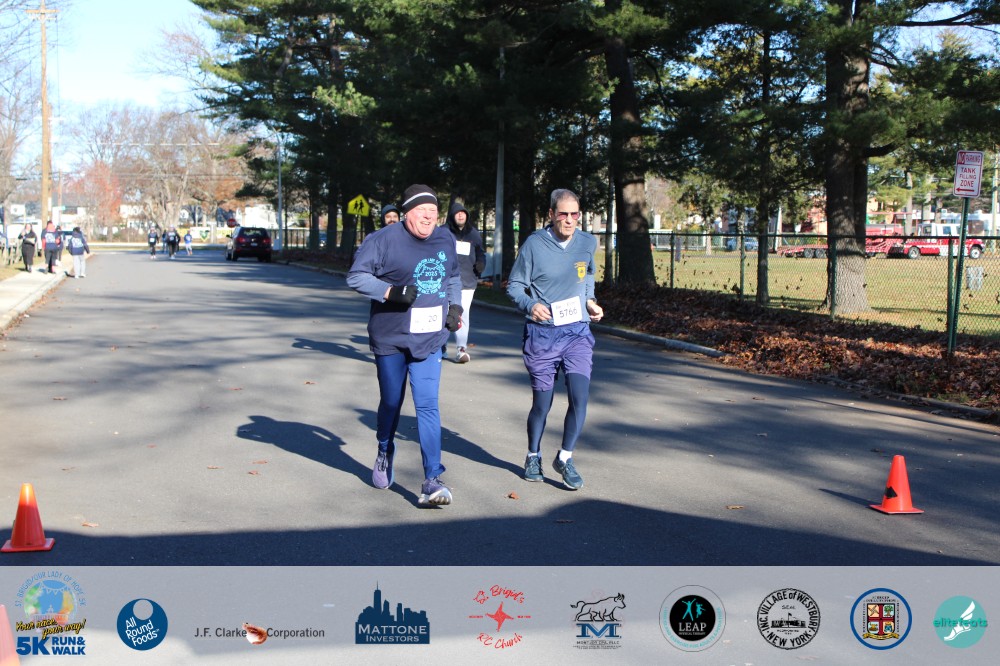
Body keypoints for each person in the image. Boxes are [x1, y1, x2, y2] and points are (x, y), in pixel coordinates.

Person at [347, 184, 464, 507]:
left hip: (430, 338)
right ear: (406, 213)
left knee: (427, 404)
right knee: (391, 401)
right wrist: (390, 292)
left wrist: (455, 307)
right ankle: (385, 448)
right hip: (391, 337)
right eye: (421, 211)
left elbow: (454, 276)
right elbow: (356, 276)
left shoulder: (444, 238)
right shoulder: (382, 240)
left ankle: (432, 479)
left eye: (433, 212)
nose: (428, 217)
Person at [506, 188, 604, 490]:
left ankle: (565, 457)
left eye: (575, 214)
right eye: (563, 214)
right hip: (543, 335)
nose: (570, 220)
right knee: (542, 404)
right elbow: (514, 285)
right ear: (551, 214)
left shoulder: (587, 242)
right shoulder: (534, 245)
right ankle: (533, 455)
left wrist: (590, 301)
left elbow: (588, 274)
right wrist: (530, 305)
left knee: (580, 398)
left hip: (577, 332)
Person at [444, 201, 486, 363]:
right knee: (444, 313)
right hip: (446, 281)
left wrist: (481, 263)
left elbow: (480, 252)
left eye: (464, 213)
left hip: (468, 281)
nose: (461, 215)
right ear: (452, 216)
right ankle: (440, 347)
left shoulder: (473, 234)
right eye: (457, 213)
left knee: (462, 314)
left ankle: (461, 349)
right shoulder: (443, 232)